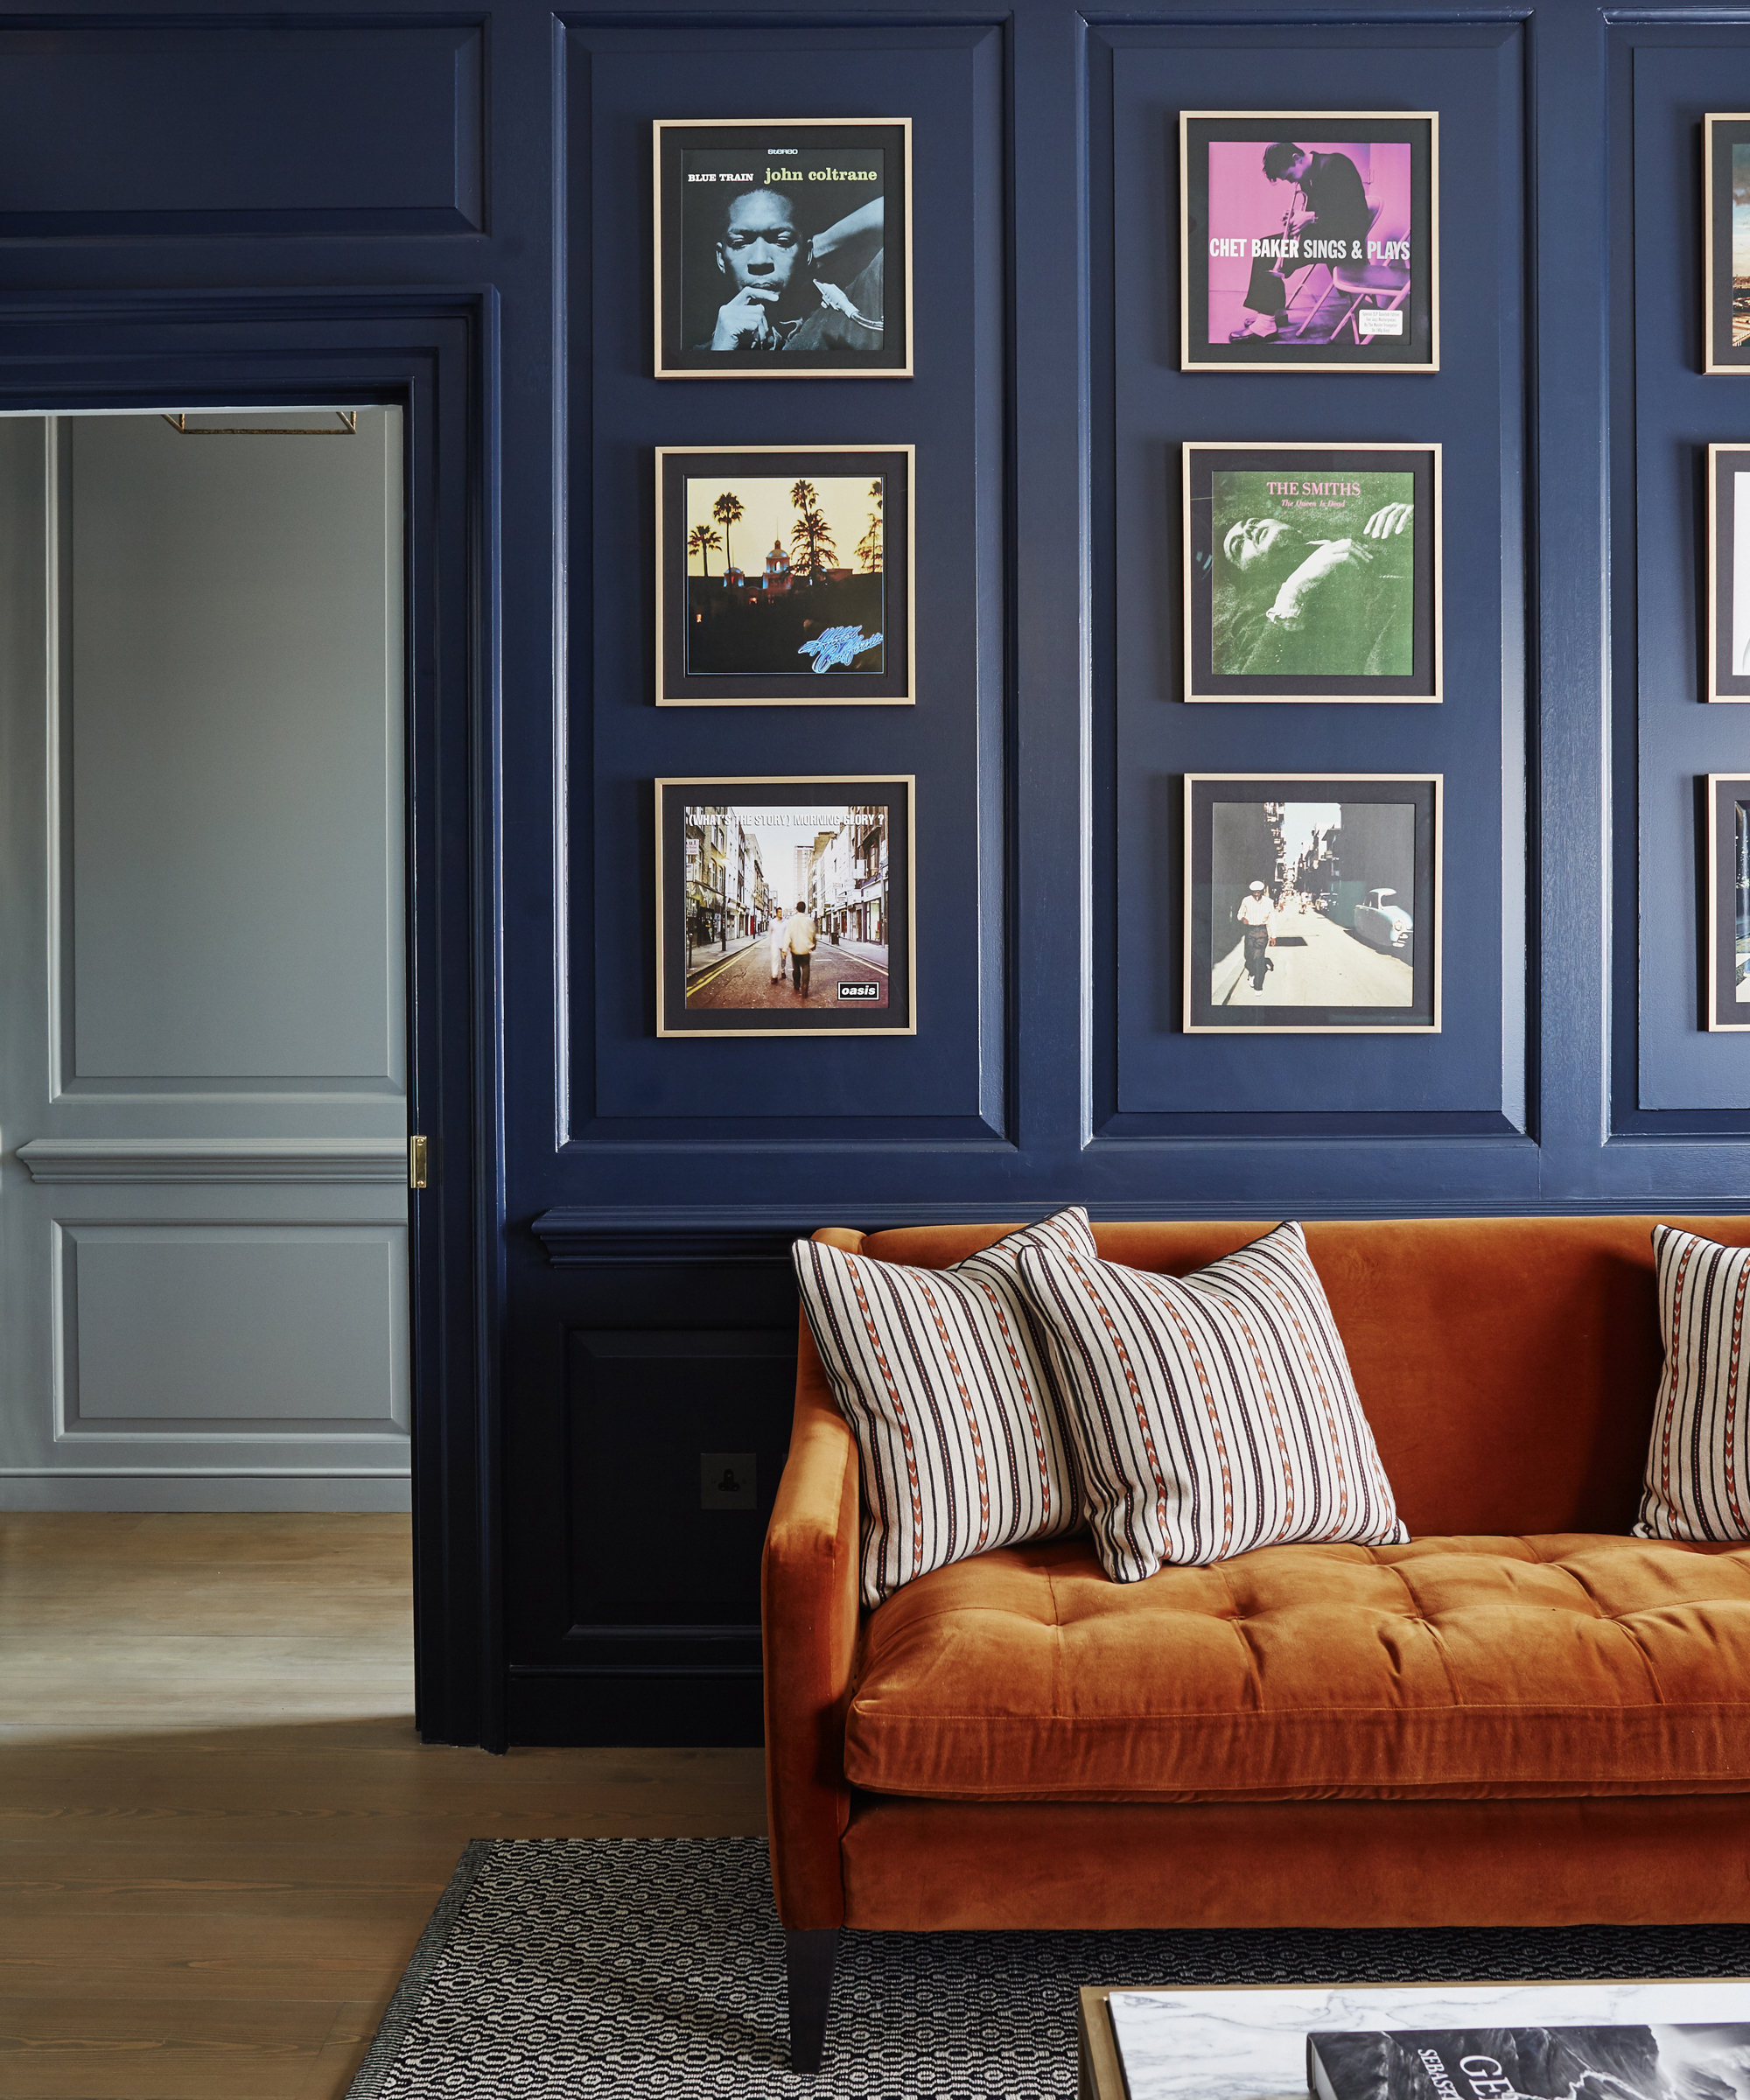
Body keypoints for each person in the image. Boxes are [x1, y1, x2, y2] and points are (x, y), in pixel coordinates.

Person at [1214, 500, 1414, 679]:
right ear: (1245, 574)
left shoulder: (1357, 535)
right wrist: (1294, 589)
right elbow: (1254, 684)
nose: (1250, 530)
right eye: (1239, 544)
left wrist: (1416, 524)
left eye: (1254, 521)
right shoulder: (1254, 613)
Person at [702, 188, 885, 355]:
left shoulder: (847, 321)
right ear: (721, 259)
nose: (760, 260)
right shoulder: (702, 354)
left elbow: (901, 209)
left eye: (782, 241)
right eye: (740, 244)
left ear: (805, 253)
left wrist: (817, 251)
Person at [1227, 141, 1371, 345]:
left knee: (1266, 251)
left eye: (1290, 176)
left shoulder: (1337, 165)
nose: (1291, 182)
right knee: (1265, 246)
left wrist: (1312, 217)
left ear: (1296, 158)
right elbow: (1318, 213)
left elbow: (1357, 216)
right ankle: (1274, 312)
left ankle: (1266, 325)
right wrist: (1297, 216)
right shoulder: (1308, 175)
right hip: (1323, 239)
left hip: (1342, 244)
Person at [1236, 880, 1276, 992]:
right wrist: (1243, 918)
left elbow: (1272, 919)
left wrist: (1273, 936)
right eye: (1254, 893)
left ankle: (1258, 986)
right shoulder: (1246, 900)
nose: (1256, 895)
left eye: (1258, 893)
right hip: (1250, 931)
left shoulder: (1269, 902)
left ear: (1262, 892)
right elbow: (1239, 913)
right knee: (1249, 955)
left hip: (1262, 932)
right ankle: (1252, 973)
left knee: (1258, 957)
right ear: (1252, 892)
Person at [787, 899, 816, 996]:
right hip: (805, 949)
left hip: (795, 948)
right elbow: (813, 934)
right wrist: (813, 945)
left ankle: (796, 985)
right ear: (805, 909)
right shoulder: (809, 921)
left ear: (797, 909)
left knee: (796, 968)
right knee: (806, 967)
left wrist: (784, 948)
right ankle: (805, 987)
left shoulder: (792, 920)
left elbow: (788, 935)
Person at [768, 910, 788, 984]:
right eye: (779, 912)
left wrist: (788, 944)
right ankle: (774, 976)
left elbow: (788, 933)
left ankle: (783, 971)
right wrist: (770, 943)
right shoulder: (772, 922)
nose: (781, 913)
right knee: (775, 959)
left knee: (783, 959)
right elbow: (770, 933)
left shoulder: (786, 922)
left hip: (783, 944)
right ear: (776, 913)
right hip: (775, 944)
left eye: (781, 912)